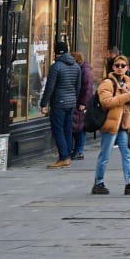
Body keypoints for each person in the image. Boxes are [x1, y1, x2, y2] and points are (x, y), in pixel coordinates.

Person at [90, 53, 130, 196]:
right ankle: (99, 182)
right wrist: (126, 96)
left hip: (123, 125)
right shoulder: (107, 83)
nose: (120, 68)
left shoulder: (128, 83)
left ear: (127, 68)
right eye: (117, 65)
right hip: (110, 125)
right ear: (113, 67)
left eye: (123, 66)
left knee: (126, 154)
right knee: (105, 155)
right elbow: (106, 102)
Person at [39, 40, 84, 168]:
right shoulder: (76, 66)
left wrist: (43, 103)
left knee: (58, 129)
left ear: (56, 52)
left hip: (59, 102)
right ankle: (67, 155)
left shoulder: (56, 66)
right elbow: (78, 86)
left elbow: (50, 87)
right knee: (67, 129)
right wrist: (73, 99)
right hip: (71, 103)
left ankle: (63, 157)